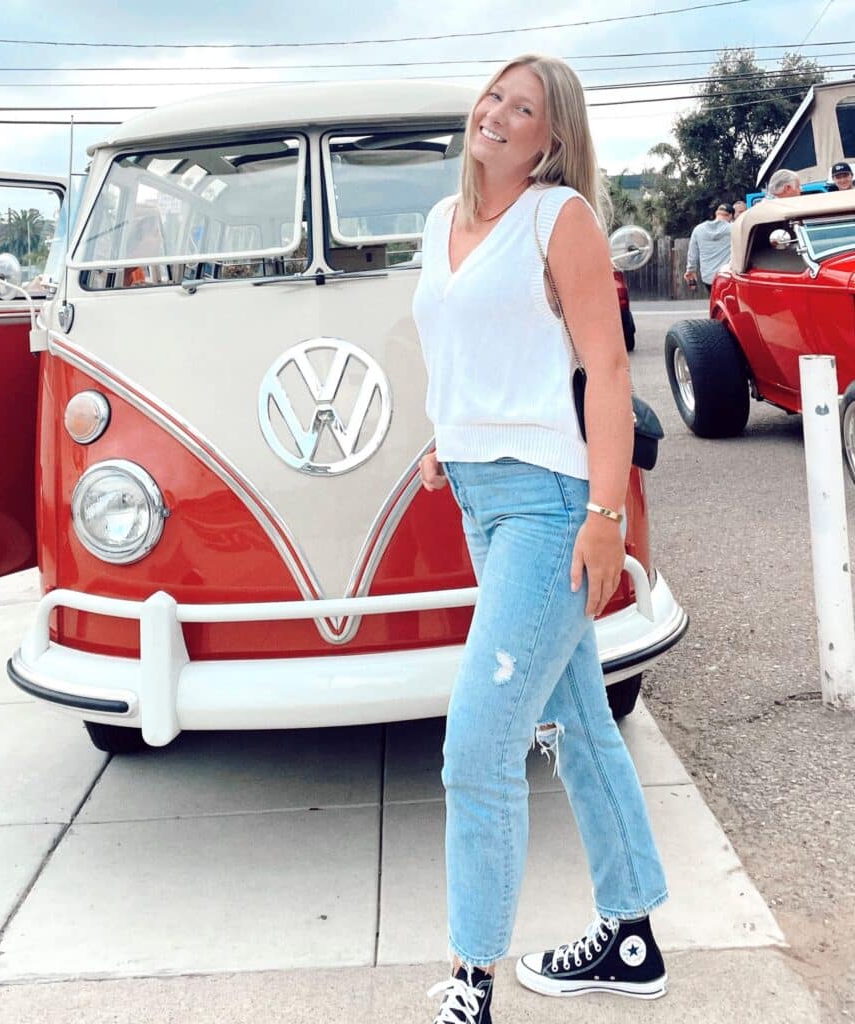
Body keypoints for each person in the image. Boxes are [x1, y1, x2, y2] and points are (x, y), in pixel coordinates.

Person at [414, 54, 669, 1024]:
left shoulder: (557, 219)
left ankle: (469, 985)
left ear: (549, 138)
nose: (499, 113)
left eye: (524, 108)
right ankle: (630, 932)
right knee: (579, 722)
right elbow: (462, 352)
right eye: (493, 95)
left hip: (553, 507)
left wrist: (606, 516)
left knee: (477, 745)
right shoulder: (444, 224)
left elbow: (605, 367)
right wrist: (448, 442)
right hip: (479, 494)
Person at [684, 203, 732, 295]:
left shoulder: (698, 229)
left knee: (714, 300)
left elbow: (692, 254)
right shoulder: (733, 228)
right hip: (727, 276)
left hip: (708, 277)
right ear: (730, 216)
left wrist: (690, 270)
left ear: (716, 213)